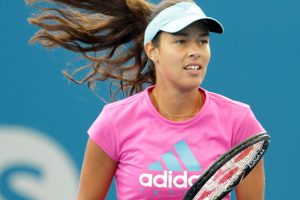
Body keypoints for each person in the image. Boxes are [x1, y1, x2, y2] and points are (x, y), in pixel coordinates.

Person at [27, 0, 266, 199]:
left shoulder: (239, 121)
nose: (195, 50)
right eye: (181, 41)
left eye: (202, 41)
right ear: (153, 50)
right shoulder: (114, 122)